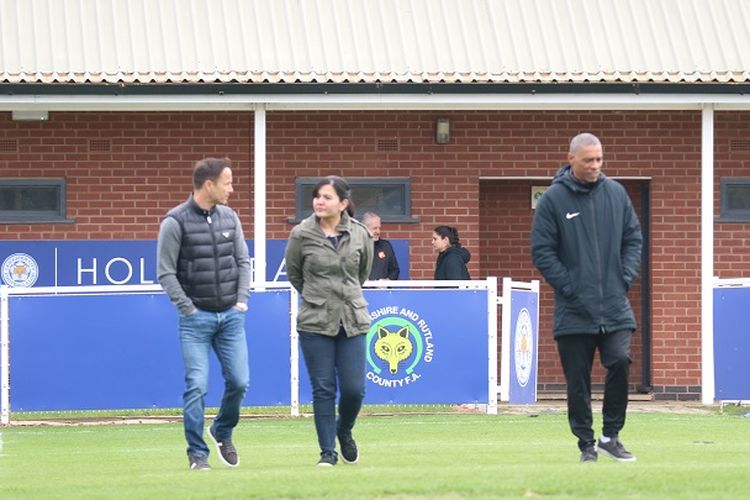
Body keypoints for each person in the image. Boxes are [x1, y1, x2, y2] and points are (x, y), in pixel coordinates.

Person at [531, 133, 642, 463]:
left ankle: (611, 436)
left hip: (614, 304)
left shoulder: (616, 194)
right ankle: (586, 444)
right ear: (572, 159)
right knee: (577, 382)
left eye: (599, 160)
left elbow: (633, 238)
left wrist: (623, 278)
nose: (595, 166)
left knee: (620, 361)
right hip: (573, 309)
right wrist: (570, 288)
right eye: (588, 160)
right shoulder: (553, 200)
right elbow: (542, 251)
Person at [157, 157, 251, 471]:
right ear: (208, 185)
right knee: (197, 386)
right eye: (228, 182)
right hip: (195, 320)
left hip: (231, 316)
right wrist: (188, 308)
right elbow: (166, 273)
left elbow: (243, 262)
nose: (232, 189)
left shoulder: (230, 217)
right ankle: (198, 455)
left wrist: (241, 299)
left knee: (239, 382)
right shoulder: (174, 221)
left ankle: (222, 430)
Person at [284, 176, 374, 467]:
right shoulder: (301, 234)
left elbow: (361, 274)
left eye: (327, 197)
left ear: (343, 203)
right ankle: (327, 452)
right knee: (323, 389)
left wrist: (343, 297)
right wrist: (317, 298)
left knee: (353, 389)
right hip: (314, 321)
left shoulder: (361, 234)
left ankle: (344, 429)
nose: (319, 202)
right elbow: (296, 275)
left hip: (352, 319)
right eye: (317, 196)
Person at [361, 211, 400, 280]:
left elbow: (395, 270)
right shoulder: (356, 246)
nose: (378, 231)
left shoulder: (385, 246)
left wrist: (387, 281)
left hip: (381, 290)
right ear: (364, 228)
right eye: (374, 228)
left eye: (379, 228)